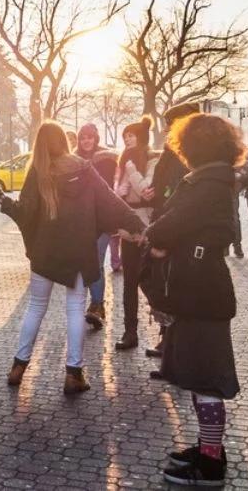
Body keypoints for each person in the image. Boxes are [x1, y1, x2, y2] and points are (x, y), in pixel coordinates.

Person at [0, 122, 143, 394]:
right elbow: (109, 201)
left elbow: (25, 213)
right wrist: (137, 225)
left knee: (36, 307)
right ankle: (73, 373)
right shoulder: (83, 168)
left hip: (46, 251)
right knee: (75, 309)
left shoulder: (38, 171)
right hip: (79, 250)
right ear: (64, 141)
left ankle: (18, 367)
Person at [139, 114, 244, 487]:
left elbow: (166, 226)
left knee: (206, 381)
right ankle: (207, 448)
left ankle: (211, 463)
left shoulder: (205, 183)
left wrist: (159, 242)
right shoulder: (215, 179)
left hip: (200, 294)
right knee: (202, 379)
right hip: (203, 290)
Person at [142, 101, 201, 360]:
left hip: (177, 229)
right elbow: (163, 179)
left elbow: (185, 195)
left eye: (171, 123)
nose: (167, 129)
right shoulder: (172, 148)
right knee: (156, 280)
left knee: (170, 285)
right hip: (164, 218)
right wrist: (153, 190)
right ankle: (170, 339)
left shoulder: (194, 153)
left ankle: (174, 345)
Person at [113, 116, 159, 350]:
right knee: (129, 282)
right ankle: (130, 331)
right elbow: (116, 193)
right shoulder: (122, 161)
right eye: (125, 136)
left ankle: (165, 329)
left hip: (146, 226)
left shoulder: (152, 159)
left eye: (131, 135)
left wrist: (130, 169)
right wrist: (118, 191)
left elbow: (146, 191)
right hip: (127, 228)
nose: (128, 140)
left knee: (149, 280)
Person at [74, 123, 120, 331]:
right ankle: (91, 305)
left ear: (96, 138)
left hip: (100, 221)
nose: (86, 141)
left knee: (97, 262)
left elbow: (108, 191)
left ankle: (97, 305)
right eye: (83, 137)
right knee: (86, 263)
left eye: (89, 137)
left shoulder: (105, 160)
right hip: (80, 221)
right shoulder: (72, 159)